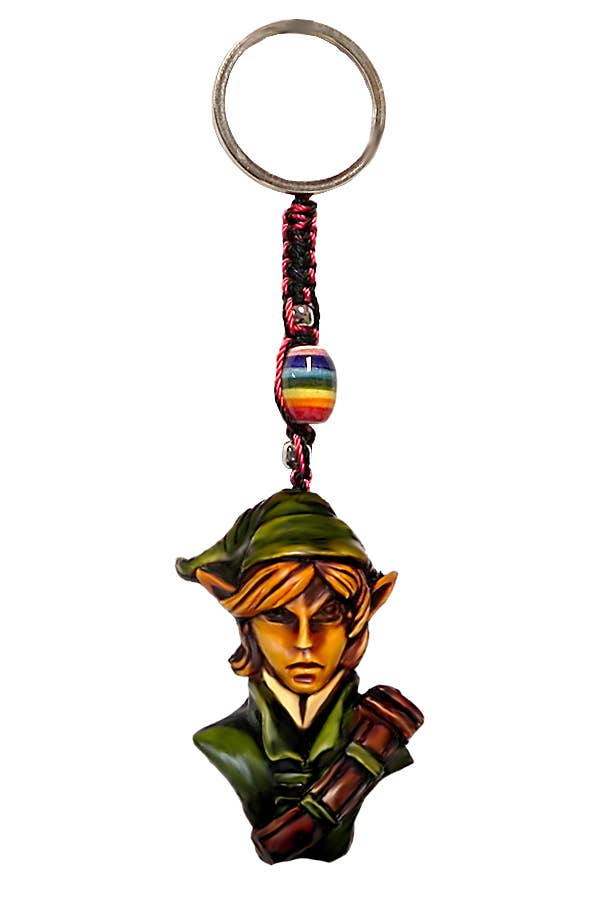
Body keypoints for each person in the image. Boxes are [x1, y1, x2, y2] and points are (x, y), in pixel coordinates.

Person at [176, 489, 423, 863]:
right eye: (278, 615)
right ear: (247, 623)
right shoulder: (223, 742)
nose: (305, 642)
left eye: (328, 614)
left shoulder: (382, 729)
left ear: (356, 621)